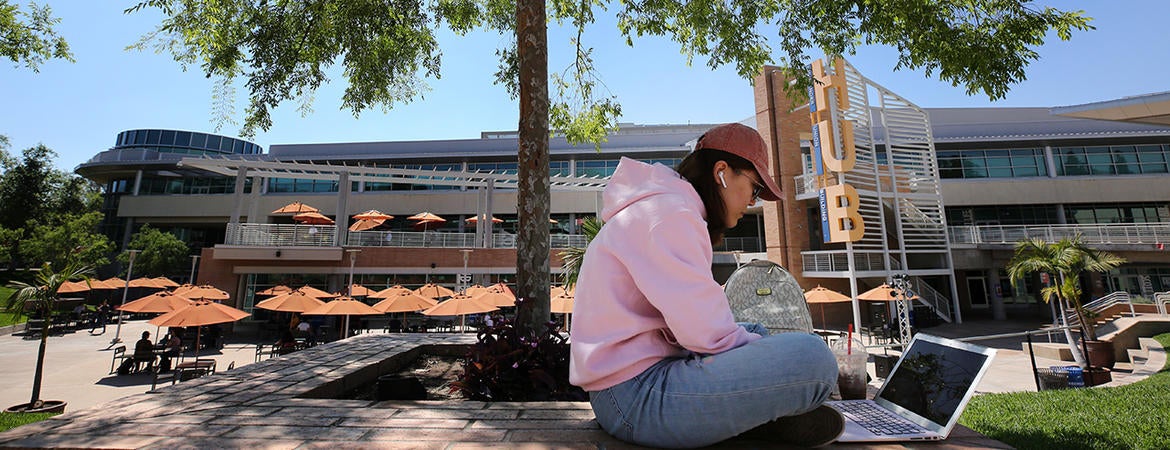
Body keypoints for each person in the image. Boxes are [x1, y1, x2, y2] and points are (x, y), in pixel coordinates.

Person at [569, 123, 843, 448]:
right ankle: (764, 414)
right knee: (814, 360)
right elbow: (706, 334)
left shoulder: (664, 208)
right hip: (636, 397)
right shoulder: (670, 215)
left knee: (755, 328)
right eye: (754, 188)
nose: (753, 202)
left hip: (630, 385)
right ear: (722, 172)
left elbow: (699, 327)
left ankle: (750, 417)